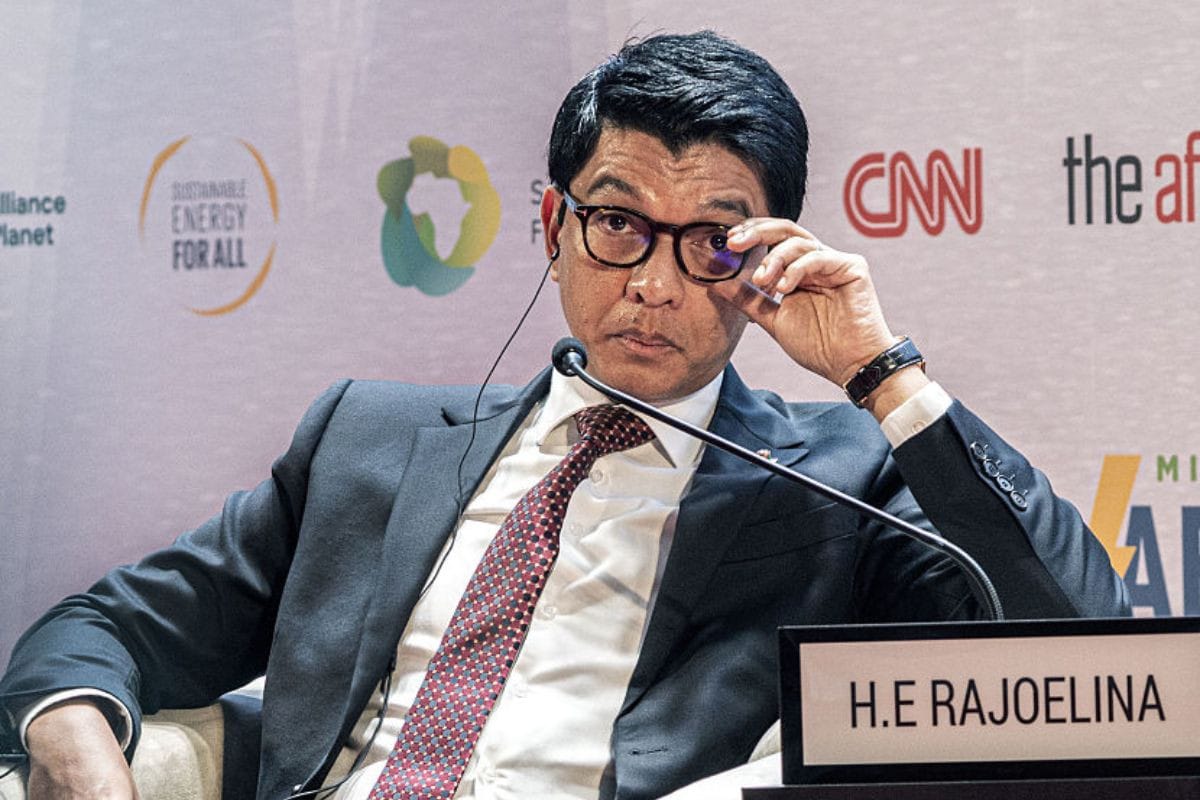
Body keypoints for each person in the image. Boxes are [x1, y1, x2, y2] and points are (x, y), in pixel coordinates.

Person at [1, 30, 1128, 800]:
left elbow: (1077, 649)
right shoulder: (367, 438)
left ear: (769, 256)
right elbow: (99, 629)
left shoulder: (841, 480)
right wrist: (77, 747)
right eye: (619, 224)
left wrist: (883, 372)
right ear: (553, 227)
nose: (655, 284)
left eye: (713, 241)